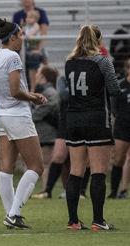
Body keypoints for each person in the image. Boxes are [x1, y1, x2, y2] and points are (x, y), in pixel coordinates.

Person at [0, 18, 47, 230]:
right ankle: (14, 214)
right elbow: (15, 91)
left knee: (6, 167)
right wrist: (34, 97)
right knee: (36, 166)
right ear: (12, 37)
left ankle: (11, 215)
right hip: (17, 115)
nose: (23, 38)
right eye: (21, 34)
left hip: (2, 114)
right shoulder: (13, 57)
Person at [63, 25, 119, 231]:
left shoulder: (69, 62)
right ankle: (98, 220)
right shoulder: (103, 61)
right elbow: (113, 89)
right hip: (96, 118)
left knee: (76, 171)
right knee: (98, 171)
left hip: (74, 120)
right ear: (99, 40)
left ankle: (73, 221)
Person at [30, 65, 61, 193]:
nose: (35, 75)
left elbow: (38, 113)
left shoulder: (50, 93)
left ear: (43, 77)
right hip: (43, 133)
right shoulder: (43, 92)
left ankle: (46, 190)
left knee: (46, 163)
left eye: (38, 73)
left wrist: (27, 117)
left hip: (48, 134)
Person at [110, 58, 130, 199]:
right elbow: (114, 106)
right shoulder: (121, 85)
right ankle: (113, 191)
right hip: (122, 126)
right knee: (118, 159)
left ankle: (124, 190)